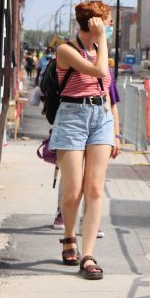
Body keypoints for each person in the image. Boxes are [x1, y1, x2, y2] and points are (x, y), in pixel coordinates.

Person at [48, 0, 114, 280]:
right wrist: (101, 41)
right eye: (107, 22)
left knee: (96, 189)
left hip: (101, 117)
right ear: (95, 24)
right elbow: (99, 71)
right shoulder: (66, 50)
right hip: (73, 117)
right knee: (73, 191)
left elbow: (106, 87)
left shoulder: (99, 48)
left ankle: (88, 255)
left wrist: (116, 130)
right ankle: (68, 237)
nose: (110, 27)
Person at [52, 66, 121, 234]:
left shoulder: (106, 70)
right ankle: (63, 212)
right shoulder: (70, 62)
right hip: (71, 123)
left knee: (94, 182)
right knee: (72, 179)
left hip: (99, 127)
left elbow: (111, 104)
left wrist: (117, 136)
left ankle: (88, 219)